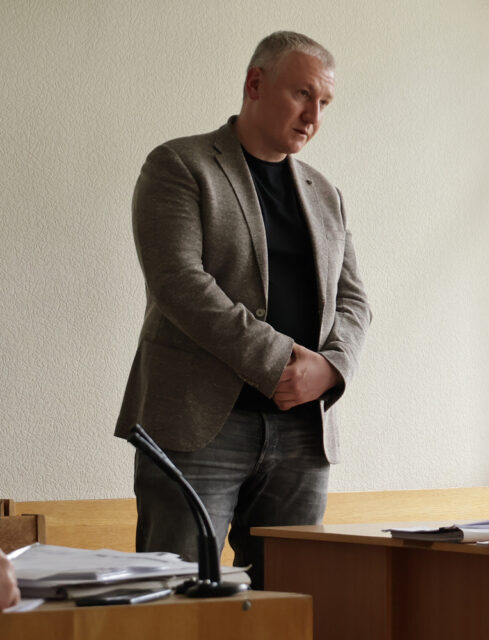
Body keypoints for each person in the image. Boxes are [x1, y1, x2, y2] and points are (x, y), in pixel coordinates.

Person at [115, 31, 371, 589]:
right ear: (255, 83)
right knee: (180, 599)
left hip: (304, 433)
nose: (314, 116)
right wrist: (280, 362)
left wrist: (331, 369)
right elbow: (178, 283)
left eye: (324, 102)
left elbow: (354, 301)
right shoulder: (179, 165)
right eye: (302, 94)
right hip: (198, 426)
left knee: (289, 600)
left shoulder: (325, 192)